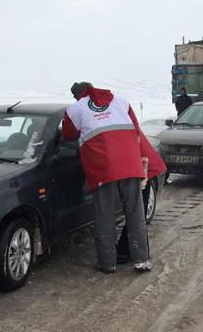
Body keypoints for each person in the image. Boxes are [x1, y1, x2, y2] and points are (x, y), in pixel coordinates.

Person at [63, 82, 152, 274]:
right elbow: (136, 131)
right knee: (135, 212)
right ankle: (141, 261)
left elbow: (68, 135)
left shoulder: (76, 109)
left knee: (105, 215)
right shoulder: (121, 102)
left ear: (77, 95)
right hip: (130, 163)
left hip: (103, 167)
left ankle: (107, 263)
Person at [116, 130, 166, 264]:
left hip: (142, 166)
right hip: (138, 164)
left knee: (137, 214)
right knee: (138, 213)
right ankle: (128, 251)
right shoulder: (117, 116)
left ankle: (128, 251)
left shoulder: (116, 117)